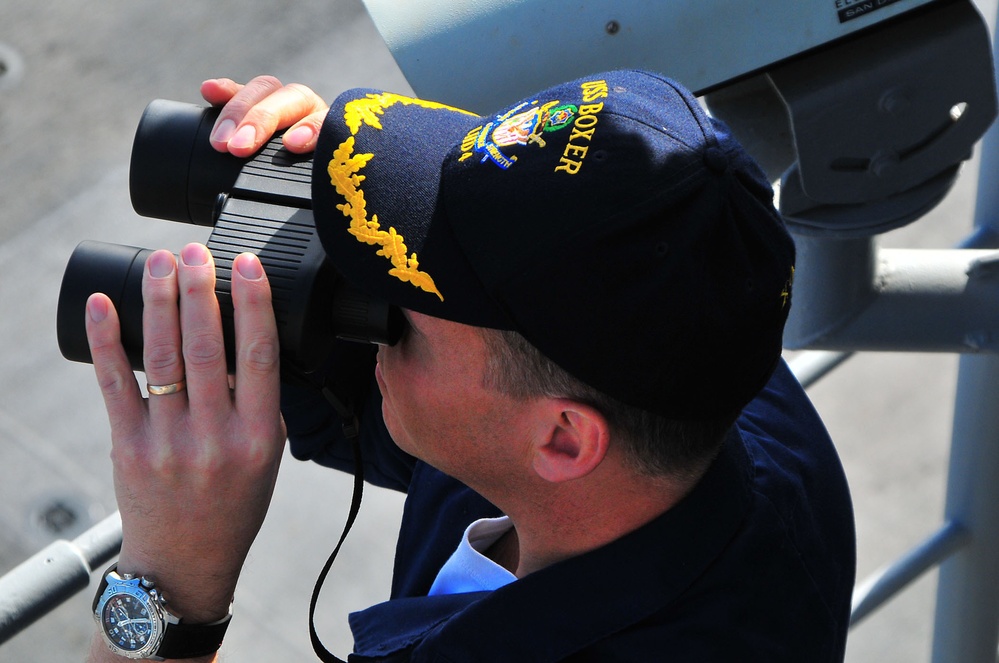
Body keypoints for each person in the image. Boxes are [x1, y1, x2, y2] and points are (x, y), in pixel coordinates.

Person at [85, 71, 855, 662]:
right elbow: (441, 407)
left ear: (561, 439)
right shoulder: (687, 375)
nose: (377, 307)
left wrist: (173, 590)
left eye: (405, 309)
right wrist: (326, 203)